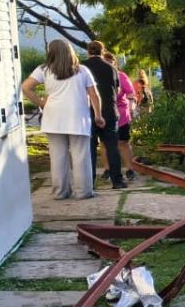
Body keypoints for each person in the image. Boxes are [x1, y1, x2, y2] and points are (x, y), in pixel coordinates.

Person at [19, 39, 106, 199]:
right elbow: (94, 95)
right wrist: (98, 115)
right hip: (77, 118)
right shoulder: (82, 70)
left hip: (53, 118)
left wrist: (41, 103)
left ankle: (60, 192)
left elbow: (25, 87)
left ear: (51, 52)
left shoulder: (44, 70)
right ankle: (83, 191)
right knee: (81, 156)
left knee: (58, 157)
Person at [83, 40, 126, 189]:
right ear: (103, 51)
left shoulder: (81, 67)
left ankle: (90, 182)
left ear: (88, 51)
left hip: (88, 112)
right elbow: (117, 90)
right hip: (109, 110)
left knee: (89, 148)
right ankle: (117, 181)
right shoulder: (111, 68)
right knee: (112, 147)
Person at [103, 52, 138, 181]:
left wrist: (132, 106)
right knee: (105, 143)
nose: (108, 65)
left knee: (123, 142)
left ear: (114, 64)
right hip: (104, 114)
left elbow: (131, 94)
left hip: (122, 114)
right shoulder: (97, 77)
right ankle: (107, 170)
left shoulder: (121, 76)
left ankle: (130, 169)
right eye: (105, 63)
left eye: (110, 63)